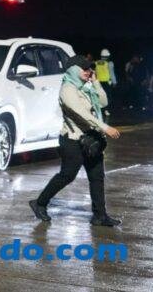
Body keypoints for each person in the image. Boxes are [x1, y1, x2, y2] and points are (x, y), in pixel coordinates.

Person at [30, 55, 122, 226]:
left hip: (91, 138)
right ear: (74, 70)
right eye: (85, 69)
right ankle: (40, 203)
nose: (89, 71)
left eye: (90, 69)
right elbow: (82, 113)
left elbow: (103, 102)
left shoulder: (86, 87)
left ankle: (100, 216)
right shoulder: (68, 89)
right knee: (67, 175)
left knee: (97, 176)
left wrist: (95, 82)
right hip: (72, 140)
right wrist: (105, 127)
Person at [94, 49, 117, 116]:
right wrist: (114, 82)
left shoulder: (96, 62)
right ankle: (106, 110)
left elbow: (95, 72)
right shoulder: (109, 63)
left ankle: (97, 110)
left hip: (98, 82)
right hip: (106, 83)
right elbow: (111, 73)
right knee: (107, 97)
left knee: (98, 96)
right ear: (108, 56)